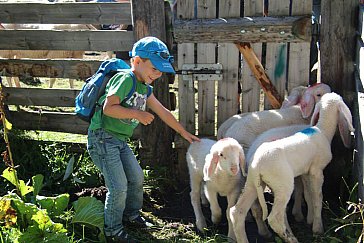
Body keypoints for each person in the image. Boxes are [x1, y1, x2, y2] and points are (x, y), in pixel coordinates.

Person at [87, 36, 200, 243]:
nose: (157, 74)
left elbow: (163, 112)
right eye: (154, 69)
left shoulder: (144, 87)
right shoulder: (125, 79)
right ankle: (113, 230)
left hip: (119, 140)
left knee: (137, 178)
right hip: (102, 138)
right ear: (137, 61)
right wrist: (137, 114)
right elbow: (109, 108)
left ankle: (131, 215)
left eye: (160, 71)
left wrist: (183, 132)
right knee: (118, 186)